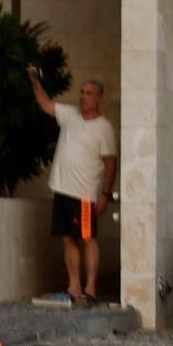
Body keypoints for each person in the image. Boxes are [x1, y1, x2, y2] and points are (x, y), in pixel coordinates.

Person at [30, 68, 118, 305]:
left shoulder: (104, 127)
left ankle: (90, 288)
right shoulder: (69, 115)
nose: (83, 97)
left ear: (98, 98)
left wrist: (106, 194)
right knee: (67, 238)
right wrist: (35, 80)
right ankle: (74, 285)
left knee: (87, 238)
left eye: (89, 93)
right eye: (82, 92)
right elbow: (46, 104)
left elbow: (111, 163)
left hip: (85, 197)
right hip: (62, 191)